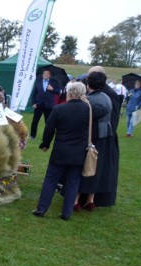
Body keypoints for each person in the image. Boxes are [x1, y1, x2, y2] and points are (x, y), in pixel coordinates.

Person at [33, 82, 89, 221]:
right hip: (78, 152)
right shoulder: (88, 109)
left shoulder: (59, 109)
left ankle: (42, 208)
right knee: (73, 182)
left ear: (69, 92)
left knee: (51, 180)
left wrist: (45, 144)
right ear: (82, 94)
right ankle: (66, 213)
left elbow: (49, 129)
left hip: (61, 150)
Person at [76, 72, 113, 212]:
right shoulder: (107, 97)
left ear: (89, 84)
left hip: (93, 136)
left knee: (86, 166)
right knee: (97, 167)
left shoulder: (90, 100)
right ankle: (91, 199)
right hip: (106, 136)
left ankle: (76, 200)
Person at [87, 65, 121, 207]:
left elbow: (113, 118)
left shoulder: (109, 94)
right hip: (96, 135)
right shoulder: (97, 92)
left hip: (104, 137)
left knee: (99, 168)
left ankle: (93, 198)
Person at [29, 69, 61, 140]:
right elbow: (33, 94)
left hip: (49, 105)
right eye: (44, 73)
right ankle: (32, 135)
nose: (45, 74)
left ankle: (46, 137)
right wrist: (33, 103)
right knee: (35, 121)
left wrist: (52, 89)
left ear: (50, 75)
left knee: (48, 122)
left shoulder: (54, 82)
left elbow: (58, 92)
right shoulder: (38, 81)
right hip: (38, 105)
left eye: (47, 73)